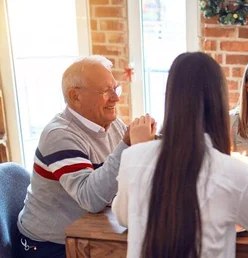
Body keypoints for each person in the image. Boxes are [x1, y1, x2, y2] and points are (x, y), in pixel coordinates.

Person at [112, 52, 248, 258]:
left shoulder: (133, 158)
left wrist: (140, 152)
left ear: (171, 97)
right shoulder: (233, 173)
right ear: (219, 100)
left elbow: (123, 217)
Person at [15, 55, 155, 258]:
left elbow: (126, 173)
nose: (116, 98)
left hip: (84, 234)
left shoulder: (111, 123)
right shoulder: (59, 135)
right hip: (48, 245)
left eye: (115, 89)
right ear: (75, 97)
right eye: (106, 91)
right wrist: (127, 145)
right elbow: (90, 199)